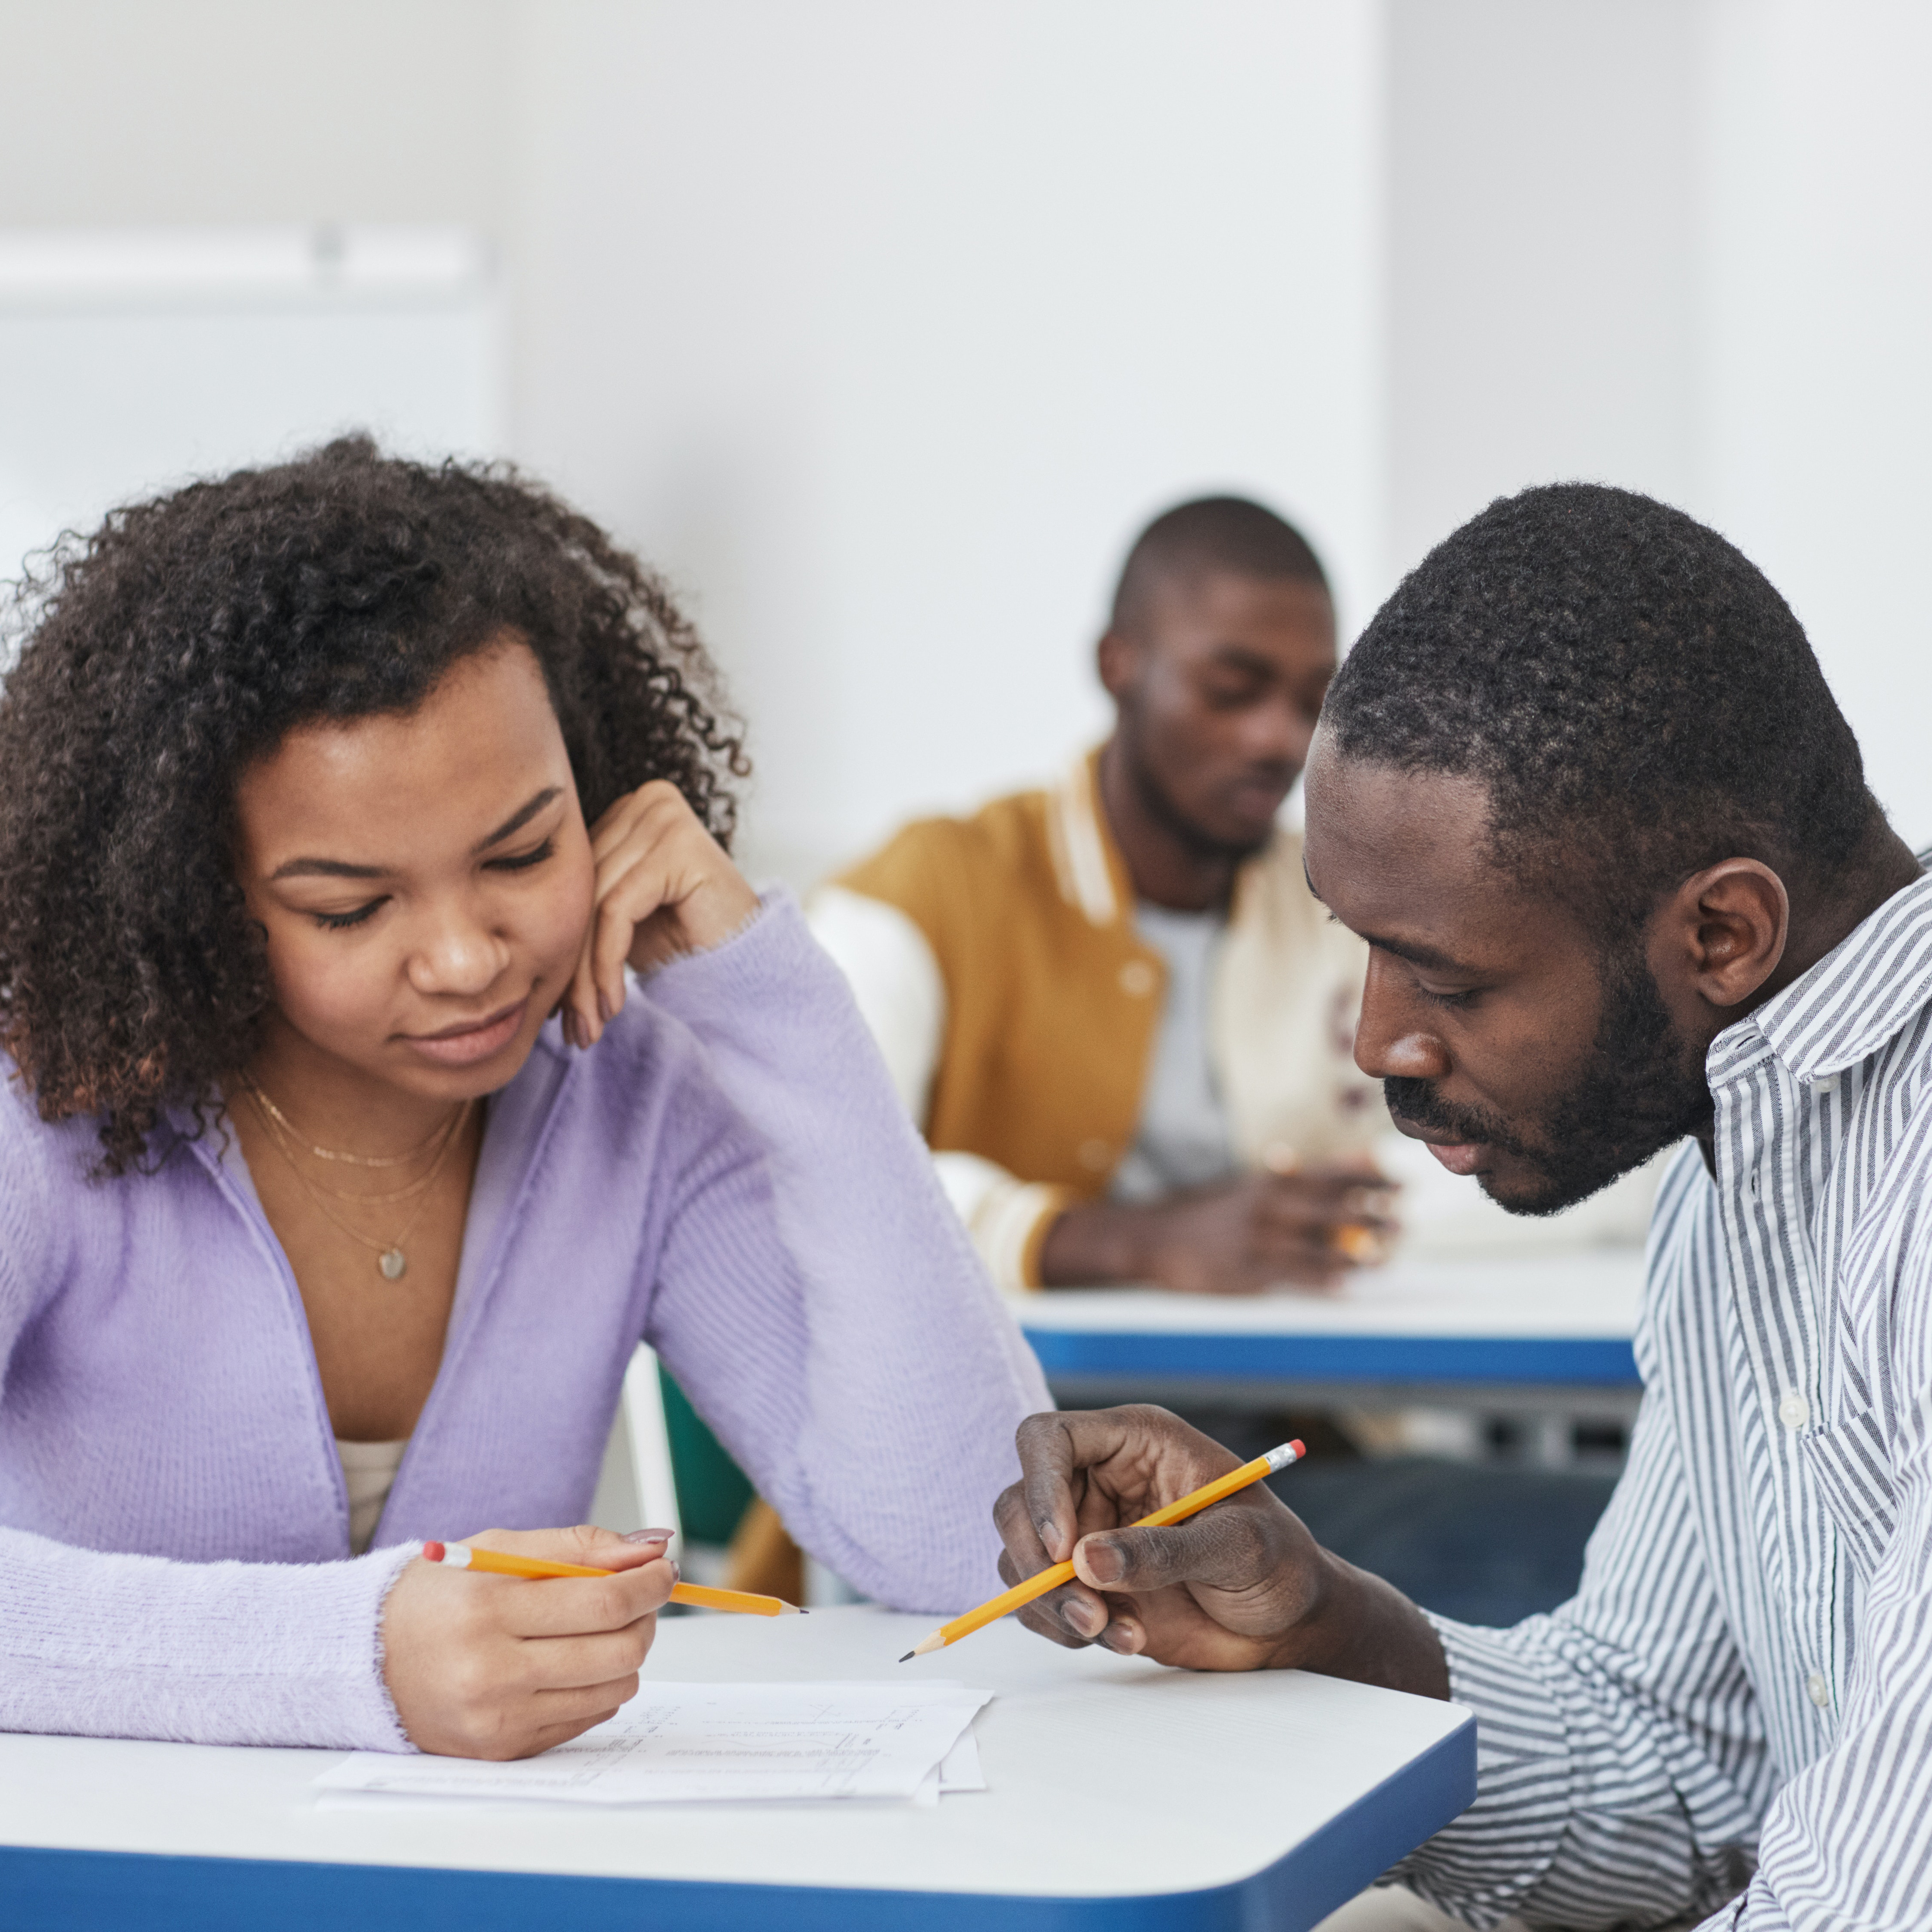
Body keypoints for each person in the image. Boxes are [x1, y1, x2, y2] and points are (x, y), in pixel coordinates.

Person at [0, 438, 1047, 1760]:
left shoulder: (636, 1094)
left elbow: (965, 1539)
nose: (467, 958)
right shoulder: (42, 1101)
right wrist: (356, 1658)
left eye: (522, 851)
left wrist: (781, 1003)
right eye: (350, 906)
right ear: (194, 896)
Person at [992, 482, 1932, 1929]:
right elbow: (1679, 1768)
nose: (1378, 1044)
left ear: (1723, 933)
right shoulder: (1741, 1162)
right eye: (1358, 948)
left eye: (1452, 978)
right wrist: (1321, 1620)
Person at [810, 496, 1393, 1296]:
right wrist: (1129, 1244)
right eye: (1232, 689)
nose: (1278, 740)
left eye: (1311, 703)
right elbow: (820, 1177)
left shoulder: (1344, 908)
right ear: (1118, 664)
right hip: (1015, 1410)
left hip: (1287, 1410)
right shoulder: (929, 890)